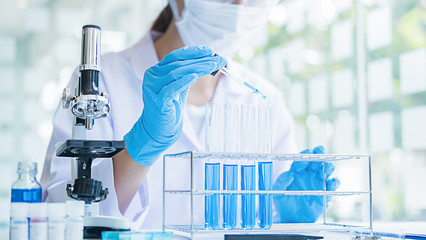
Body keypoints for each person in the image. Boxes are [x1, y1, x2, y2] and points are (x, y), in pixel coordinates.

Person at [41, 0, 338, 229]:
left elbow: (266, 222)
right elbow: (60, 212)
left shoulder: (264, 101)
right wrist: (143, 145)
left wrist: (287, 219)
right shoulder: (102, 82)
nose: (238, 7)